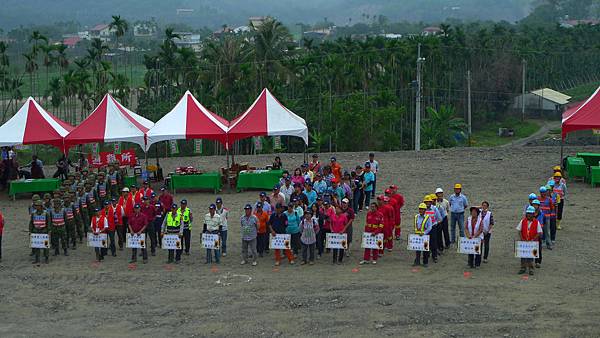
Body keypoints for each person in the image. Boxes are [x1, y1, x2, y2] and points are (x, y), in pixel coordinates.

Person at [517, 206, 542, 275]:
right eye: (528, 213)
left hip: (532, 242)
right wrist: (521, 238)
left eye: (530, 213)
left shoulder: (537, 222)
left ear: (533, 214)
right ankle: (523, 268)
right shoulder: (523, 221)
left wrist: (533, 239)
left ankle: (531, 268)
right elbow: (519, 230)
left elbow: (539, 232)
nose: (529, 215)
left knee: (531, 257)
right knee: (523, 256)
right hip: (524, 241)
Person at [413, 203, 433, 267]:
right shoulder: (416, 216)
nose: (421, 210)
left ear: (425, 210)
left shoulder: (428, 217)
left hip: (425, 235)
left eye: (422, 209)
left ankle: (425, 262)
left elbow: (430, 227)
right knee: (417, 249)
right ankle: (417, 261)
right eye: (420, 209)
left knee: (425, 250)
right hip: (417, 235)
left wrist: (424, 233)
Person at [423, 195, 440, 263]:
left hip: (433, 227)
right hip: (425, 228)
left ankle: (434, 256)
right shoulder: (423, 209)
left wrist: (435, 223)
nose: (428, 203)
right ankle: (426, 255)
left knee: (433, 242)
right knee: (426, 242)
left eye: (429, 202)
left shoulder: (435, 209)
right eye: (426, 202)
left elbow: (439, 218)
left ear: (431, 202)